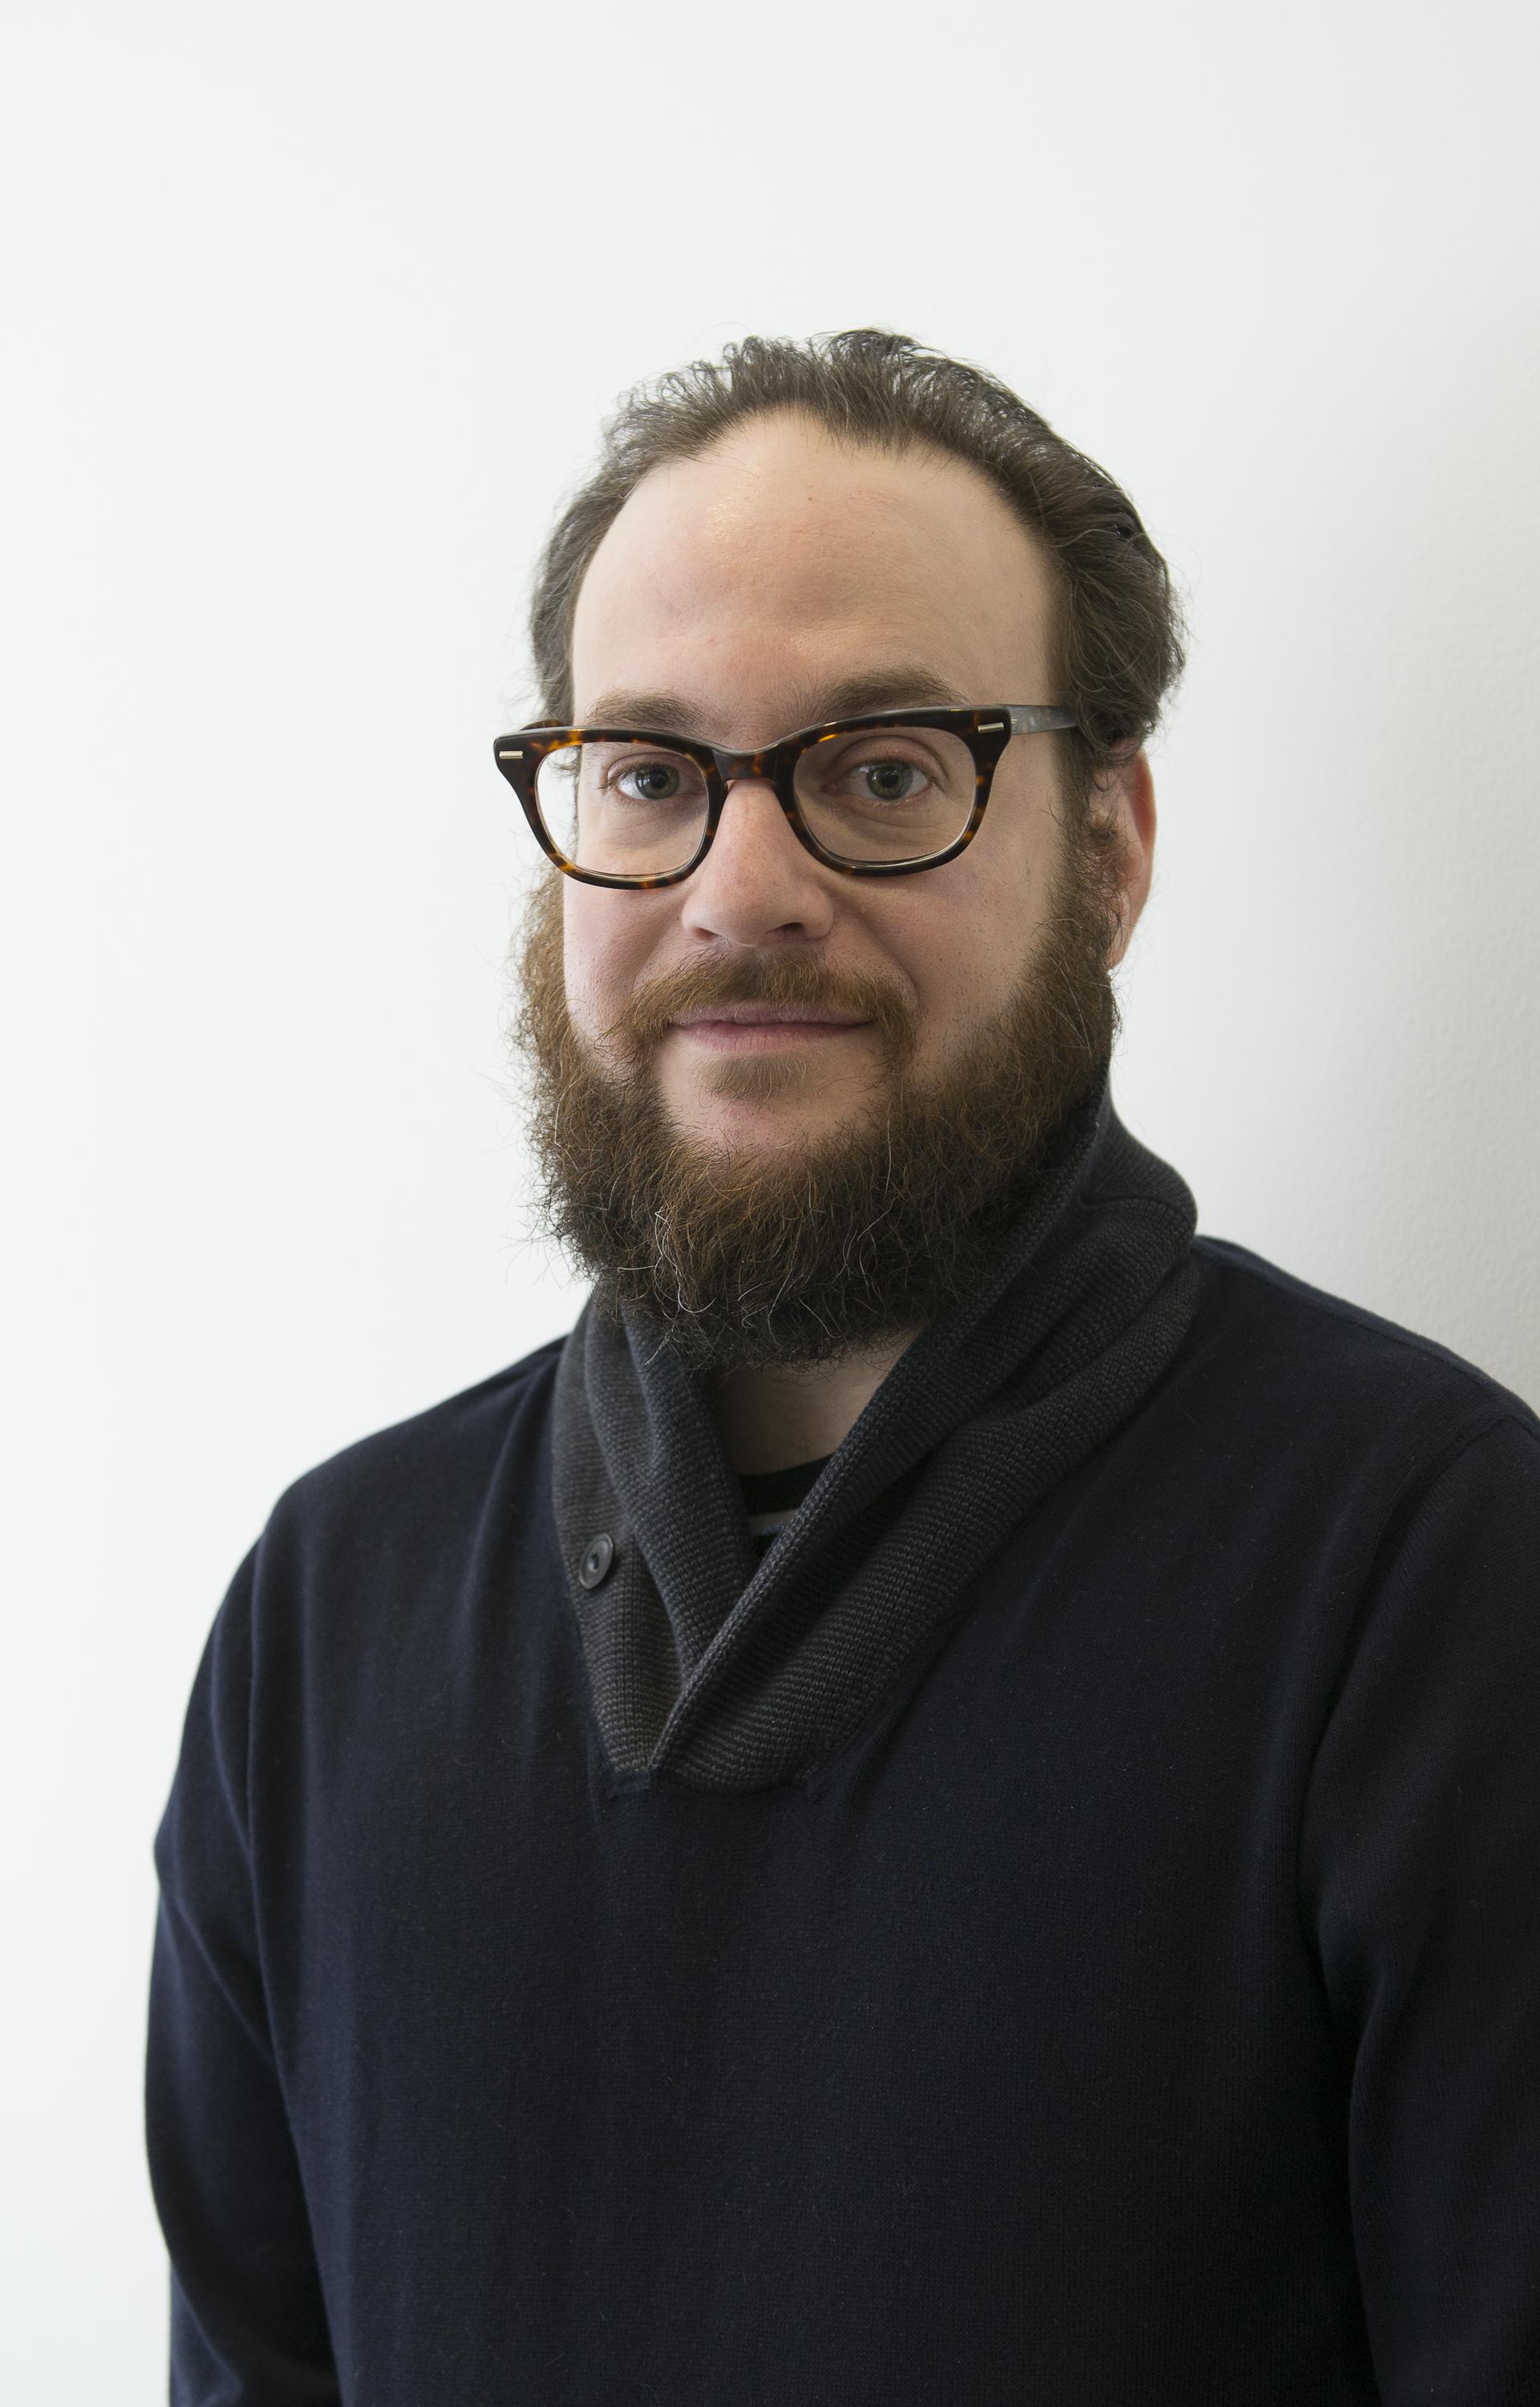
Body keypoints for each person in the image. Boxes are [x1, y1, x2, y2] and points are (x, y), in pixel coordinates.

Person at [145, 330, 1540, 2403]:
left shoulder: (1432, 1567)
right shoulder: (331, 1607)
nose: (740, 890)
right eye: (648, 773)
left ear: (1115, 844)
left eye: (886, 771)